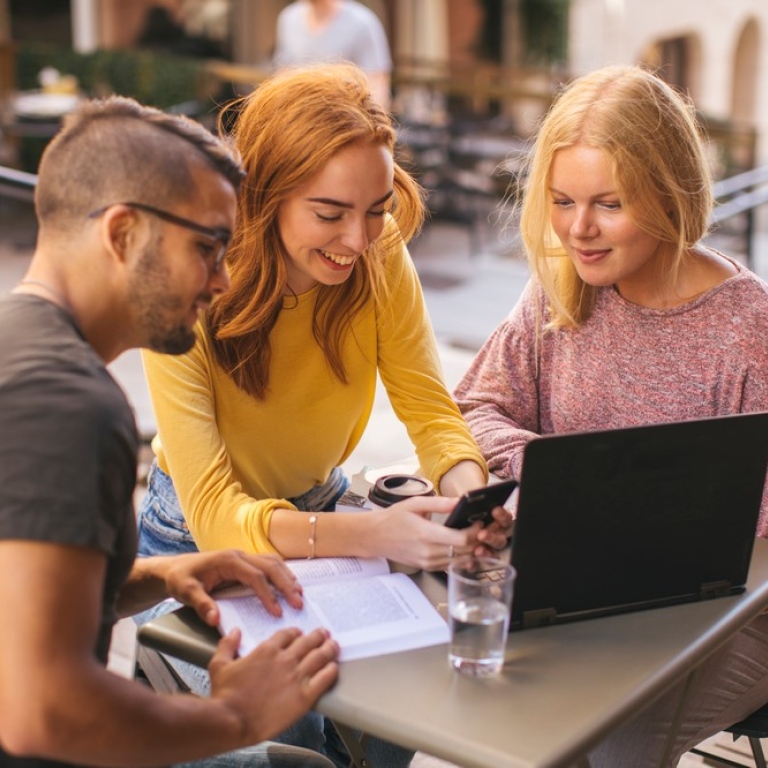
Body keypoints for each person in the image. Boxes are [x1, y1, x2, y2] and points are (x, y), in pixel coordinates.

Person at [135, 62, 511, 768]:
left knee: (410, 705)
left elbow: (431, 410)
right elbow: (217, 514)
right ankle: (178, 689)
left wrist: (470, 498)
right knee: (296, 735)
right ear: (263, 199)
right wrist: (375, 535)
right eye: (330, 214)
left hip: (323, 515)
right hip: (194, 547)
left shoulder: (378, 253)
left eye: (376, 209)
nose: (359, 240)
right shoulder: (182, 281)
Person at [0, 94, 340, 768]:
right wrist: (233, 715)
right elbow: (40, 710)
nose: (222, 281)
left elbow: (24, 593)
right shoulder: (69, 407)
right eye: (209, 248)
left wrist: (157, 573)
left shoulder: (18, 345)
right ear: (122, 233)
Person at [453, 64, 768, 767]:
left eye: (608, 204)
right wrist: (546, 467)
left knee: (604, 743)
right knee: (481, 711)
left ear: (669, 191)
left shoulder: (747, 329)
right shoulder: (561, 288)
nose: (578, 229)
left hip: (731, 614)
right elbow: (474, 405)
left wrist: (631, 503)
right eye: (562, 201)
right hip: (579, 588)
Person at [273, 0, 392, 109]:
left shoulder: (363, 22)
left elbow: (378, 87)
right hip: (300, 121)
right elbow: (282, 75)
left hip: (345, 122)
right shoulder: (288, 19)